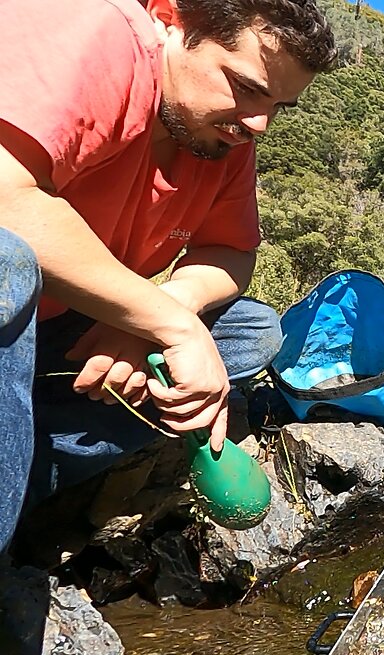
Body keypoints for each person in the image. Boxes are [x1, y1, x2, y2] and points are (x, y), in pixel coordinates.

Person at [0, 0, 335, 551]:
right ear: (171, 19)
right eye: (246, 87)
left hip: (56, 332)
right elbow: (8, 200)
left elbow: (231, 253)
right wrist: (171, 328)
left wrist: (158, 314)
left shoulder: (221, 139)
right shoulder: (101, 31)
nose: (259, 124)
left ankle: (24, 478)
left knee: (248, 333)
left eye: (280, 106)